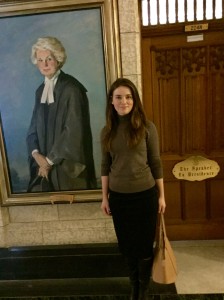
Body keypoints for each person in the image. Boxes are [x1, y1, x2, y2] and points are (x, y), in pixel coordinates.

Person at [100, 78, 166, 300]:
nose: (123, 101)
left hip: (145, 196)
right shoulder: (106, 132)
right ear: (111, 101)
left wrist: (162, 196)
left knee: (145, 246)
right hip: (119, 198)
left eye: (128, 97)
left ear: (134, 100)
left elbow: (156, 163)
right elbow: (105, 166)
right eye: (118, 97)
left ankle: (144, 288)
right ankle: (134, 287)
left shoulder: (148, 128)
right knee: (127, 246)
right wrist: (104, 198)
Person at [27, 36, 96, 192]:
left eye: (49, 59)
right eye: (40, 60)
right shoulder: (40, 92)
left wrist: (48, 162)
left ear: (58, 59)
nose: (44, 64)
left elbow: (73, 132)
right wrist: (36, 155)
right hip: (43, 168)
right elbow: (32, 131)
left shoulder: (72, 89)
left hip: (67, 170)